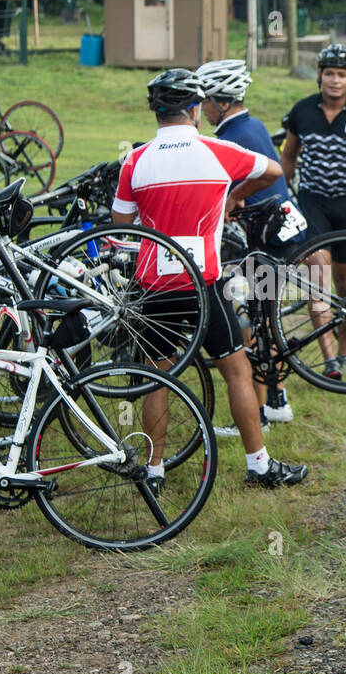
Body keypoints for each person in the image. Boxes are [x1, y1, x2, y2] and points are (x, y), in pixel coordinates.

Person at [111, 68, 308, 488]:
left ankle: (154, 471)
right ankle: (259, 465)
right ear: (196, 110)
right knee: (236, 371)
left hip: (153, 284)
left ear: (157, 113)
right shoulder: (218, 151)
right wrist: (233, 196)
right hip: (202, 282)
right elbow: (274, 170)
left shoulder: (135, 159)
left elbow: (120, 223)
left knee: (158, 377)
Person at [195, 57, 316, 425]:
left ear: (222, 101)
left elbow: (234, 188)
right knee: (266, 319)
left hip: (269, 236)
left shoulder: (232, 136)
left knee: (250, 321)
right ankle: (277, 400)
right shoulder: (253, 125)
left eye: (206, 101)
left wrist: (232, 197)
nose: (202, 108)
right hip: (284, 229)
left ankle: (261, 411)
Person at [281, 43, 346, 377]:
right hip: (313, 201)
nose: (335, 80)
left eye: (341, 74)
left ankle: (343, 351)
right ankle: (329, 360)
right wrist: (280, 192)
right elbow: (288, 155)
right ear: (319, 76)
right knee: (318, 275)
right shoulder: (301, 111)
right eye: (329, 73)